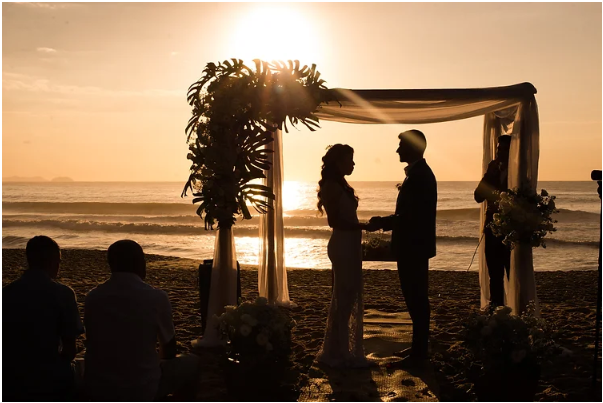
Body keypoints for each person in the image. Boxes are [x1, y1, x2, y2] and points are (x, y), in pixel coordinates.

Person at [84, 240, 199, 401]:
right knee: (192, 363)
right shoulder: (157, 297)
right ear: (140, 264)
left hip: (99, 387)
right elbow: (169, 349)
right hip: (141, 387)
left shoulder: (92, 297)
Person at [370, 130, 437, 366]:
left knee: (417, 299)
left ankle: (419, 354)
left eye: (401, 145)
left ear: (412, 147)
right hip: (414, 246)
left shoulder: (420, 176)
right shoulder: (418, 174)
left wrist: (383, 222)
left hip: (414, 247)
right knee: (415, 299)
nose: (397, 150)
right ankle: (418, 348)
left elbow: (410, 217)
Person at [316, 144, 378, 368]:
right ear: (337, 162)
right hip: (342, 244)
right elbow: (335, 221)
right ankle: (339, 352)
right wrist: (362, 226)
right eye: (349, 160)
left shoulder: (340, 184)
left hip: (350, 244)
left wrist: (360, 227)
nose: (353, 164)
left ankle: (341, 348)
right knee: (343, 297)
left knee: (347, 296)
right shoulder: (331, 186)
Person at [2, 235, 84, 401]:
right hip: (50, 380)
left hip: (11, 378)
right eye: (59, 262)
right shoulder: (63, 294)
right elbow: (69, 350)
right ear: (53, 261)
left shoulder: (6, 293)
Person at [474, 135, 512, 307]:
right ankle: (496, 307)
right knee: (494, 274)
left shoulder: (518, 172)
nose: (500, 153)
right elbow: (478, 197)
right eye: (499, 149)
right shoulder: (492, 170)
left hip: (512, 229)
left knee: (512, 271)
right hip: (491, 228)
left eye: (505, 149)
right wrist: (489, 175)